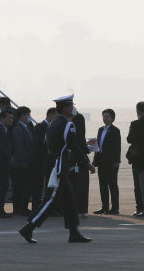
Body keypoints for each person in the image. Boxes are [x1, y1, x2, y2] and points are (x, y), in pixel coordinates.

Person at [19, 95, 95, 244]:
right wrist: (87, 163)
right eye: (71, 106)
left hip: (56, 165)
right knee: (49, 200)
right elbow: (75, 147)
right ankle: (28, 228)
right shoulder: (68, 125)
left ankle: (74, 233)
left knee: (70, 201)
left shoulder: (54, 123)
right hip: (60, 168)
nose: (72, 109)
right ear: (66, 109)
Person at [93, 108, 121, 215]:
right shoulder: (100, 130)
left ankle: (115, 208)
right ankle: (104, 207)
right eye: (104, 116)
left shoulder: (115, 130)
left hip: (111, 162)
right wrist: (95, 162)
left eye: (107, 117)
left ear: (112, 118)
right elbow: (97, 146)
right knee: (103, 185)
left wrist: (116, 161)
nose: (105, 119)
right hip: (101, 162)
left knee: (112, 185)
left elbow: (117, 147)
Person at [11, 106, 35, 216]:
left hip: (27, 163)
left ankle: (23, 207)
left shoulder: (27, 127)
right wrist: (24, 162)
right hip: (20, 164)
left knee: (26, 187)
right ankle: (18, 208)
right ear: (22, 116)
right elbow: (19, 148)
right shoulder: (18, 128)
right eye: (28, 114)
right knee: (19, 187)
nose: (29, 117)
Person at [31, 108, 56, 212]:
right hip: (40, 162)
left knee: (47, 186)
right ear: (50, 115)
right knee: (38, 186)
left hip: (49, 163)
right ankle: (36, 208)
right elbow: (38, 145)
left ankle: (45, 208)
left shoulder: (52, 127)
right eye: (55, 116)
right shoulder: (40, 127)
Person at [71, 105, 90, 216]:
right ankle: (82, 209)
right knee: (82, 184)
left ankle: (78, 208)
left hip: (75, 157)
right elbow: (80, 139)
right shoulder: (79, 118)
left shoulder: (72, 120)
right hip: (80, 156)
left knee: (76, 184)